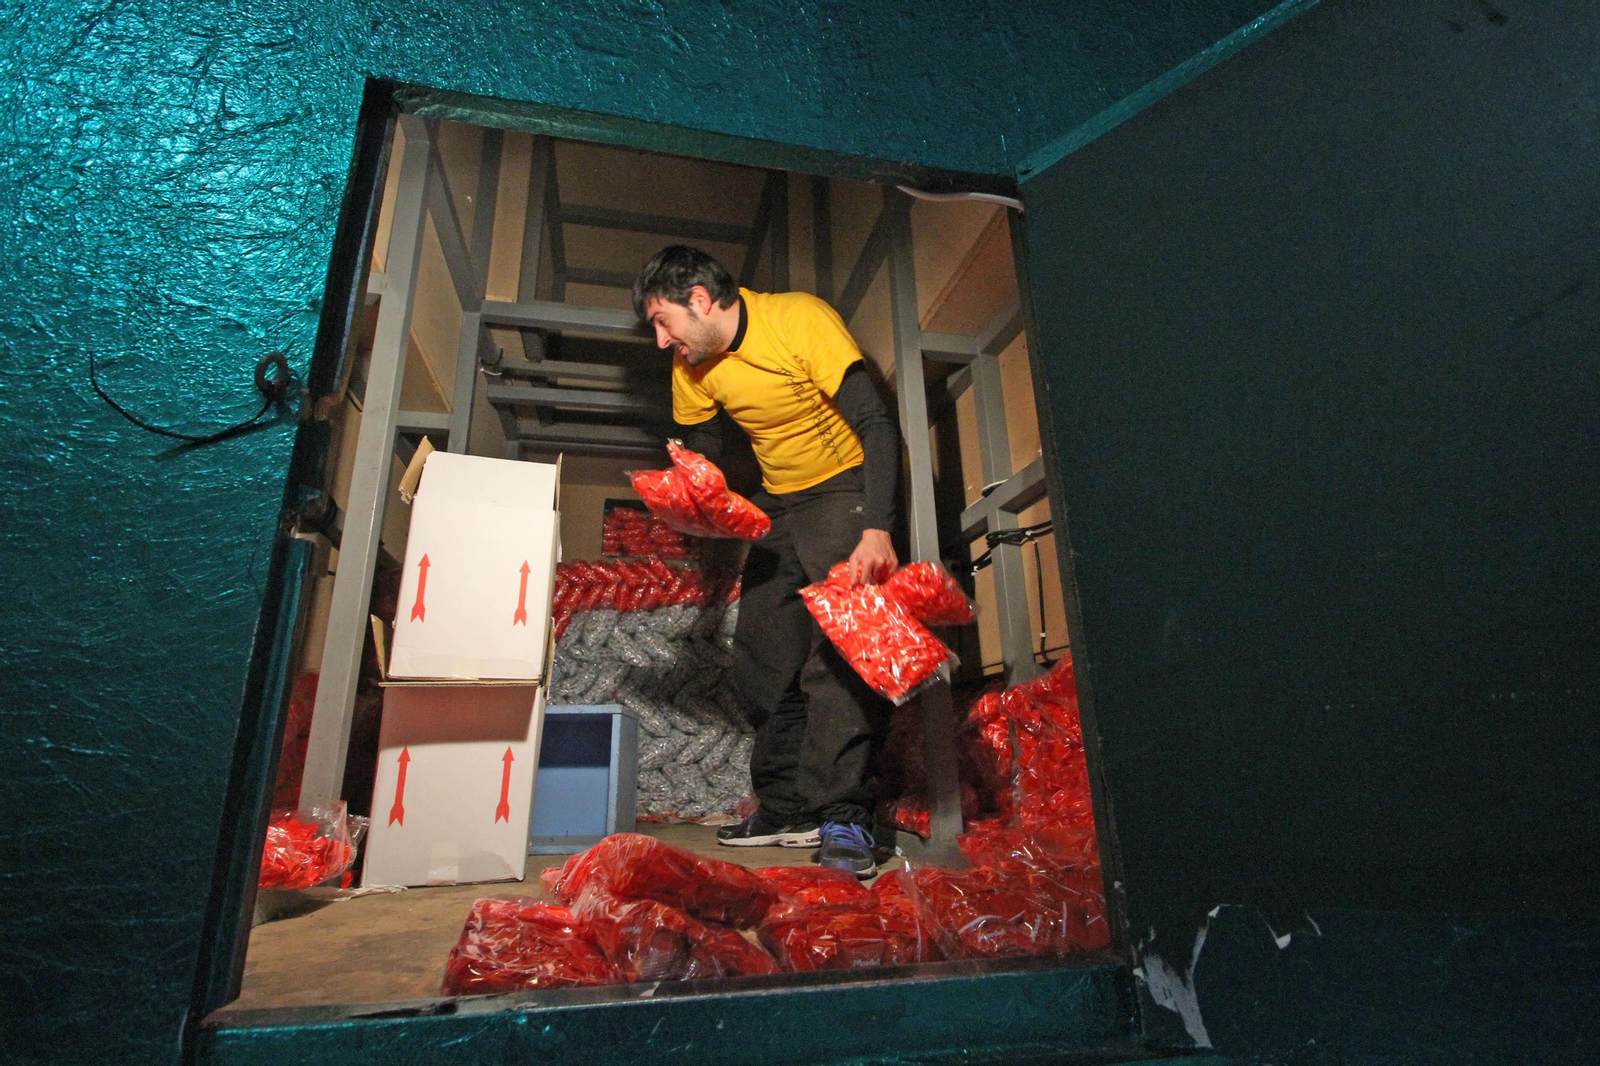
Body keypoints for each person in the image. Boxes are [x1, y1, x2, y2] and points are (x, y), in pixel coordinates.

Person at [632, 245, 901, 877]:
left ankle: (844, 814)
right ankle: (785, 807)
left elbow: (875, 422)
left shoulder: (797, 320)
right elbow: (704, 444)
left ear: (700, 298)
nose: (660, 339)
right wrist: (694, 494)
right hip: (778, 501)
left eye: (663, 320)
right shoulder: (694, 366)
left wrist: (880, 527)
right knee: (762, 652)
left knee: (837, 656)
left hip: (844, 487)